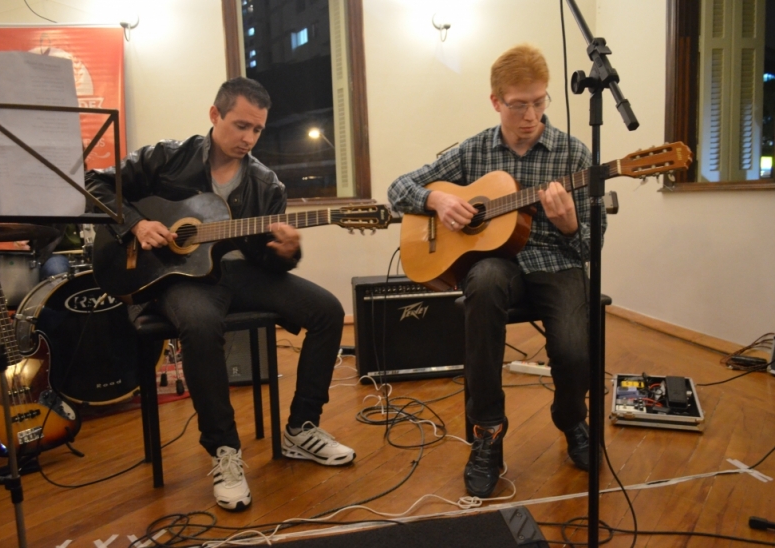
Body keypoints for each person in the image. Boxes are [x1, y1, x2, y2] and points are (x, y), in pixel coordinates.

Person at [85, 77, 355, 512]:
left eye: (258, 130)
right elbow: (94, 186)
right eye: (240, 126)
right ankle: (225, 451)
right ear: (215, 115)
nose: (248, 139)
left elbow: (266, 261)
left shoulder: (267, 186)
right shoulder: (166, 157)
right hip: (177, 277)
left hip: (239, 276)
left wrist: (288, 252)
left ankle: (302, 428)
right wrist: (136, 225)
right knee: (200, 323)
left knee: (328, 310)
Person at [388, 44, 607, 498]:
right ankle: (487, 433)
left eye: (539, 102)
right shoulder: (473, 151)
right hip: (495, 264)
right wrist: (438, 200)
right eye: (518, 104)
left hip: (556, 261)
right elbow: (398, 187)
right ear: (496, 102)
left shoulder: (573, 154)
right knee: (483, 285)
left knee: (572, 348)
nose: (531, 115)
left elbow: (592, 242)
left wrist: (569, 225)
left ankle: (571, 418)